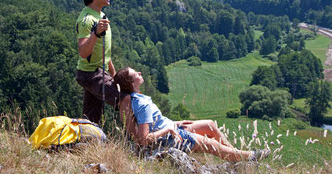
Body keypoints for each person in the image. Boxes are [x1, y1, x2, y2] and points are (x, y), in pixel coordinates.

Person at [114, 67, 270, 162]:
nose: (140, 72)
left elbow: (154, 123)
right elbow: (144, 138)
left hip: (173, 128)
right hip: (169, 139)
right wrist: (169, 130)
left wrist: (176, 123)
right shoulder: (143, 104)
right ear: (130, 82)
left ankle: (235, 156)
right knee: (212, 145)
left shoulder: (135, 99)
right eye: (136, 73)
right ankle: (248, 156)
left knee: (210, 125)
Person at [75, 0, 127, 124]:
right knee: (126, 100)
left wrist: (115, 76)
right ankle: (142, 141)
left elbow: (106, 53)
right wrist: (96, 33)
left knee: (91, 119)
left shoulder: (101, 15)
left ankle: (86, 144)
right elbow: (83, 53)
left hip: (97, 72)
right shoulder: (87, 20)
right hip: (90, 74)